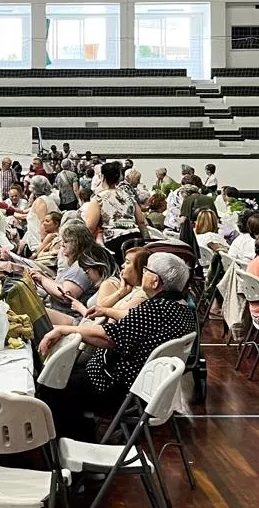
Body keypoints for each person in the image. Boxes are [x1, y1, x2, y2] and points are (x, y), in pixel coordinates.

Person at [38, 252, 197, 439]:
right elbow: (127, 329)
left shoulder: (154, 309)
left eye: (146, 270)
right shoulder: (184, 310)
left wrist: (64, 329)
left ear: (155, 281)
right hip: (143, 388)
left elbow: (109, 339)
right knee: (65, 374)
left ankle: (76, 443)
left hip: (117, 389)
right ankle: (82, 433)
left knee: (52, 384)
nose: (142, 272)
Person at [23, 223, 112, 312]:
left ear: (77, 243)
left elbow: (66, 294)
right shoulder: (82, 260)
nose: (62, 245)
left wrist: (42, 279)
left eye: (66, 242)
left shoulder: (81, 266)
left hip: (68, 314)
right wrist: (47, 279)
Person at [85, 160, 146, 261]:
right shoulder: (129, 196)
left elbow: (90, 227)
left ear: (102, 177)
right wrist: (144, 238)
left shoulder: (98, 199)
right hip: (135, 238)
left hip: (114, 241)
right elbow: (141, 221)